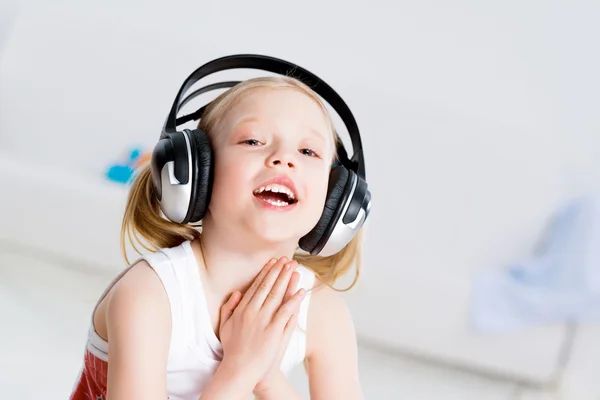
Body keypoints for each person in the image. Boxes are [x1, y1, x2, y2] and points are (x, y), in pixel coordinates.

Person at [70, 68, 366, 400]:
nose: (283, 159)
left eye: (308, 152)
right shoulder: (150, 295)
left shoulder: (324, 313)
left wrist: (267, 379)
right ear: (197, 171)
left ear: (338, 198)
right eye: (253, 141)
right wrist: (240, 371)